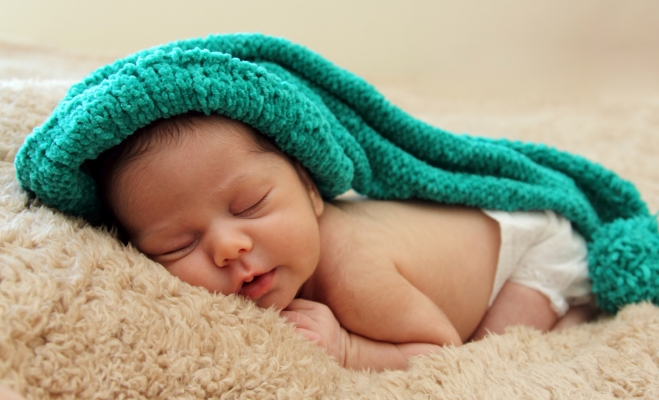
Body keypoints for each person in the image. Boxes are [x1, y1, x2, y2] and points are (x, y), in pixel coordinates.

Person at [91, 112, 597, 371]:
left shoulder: (356, 276)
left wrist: (349, 348)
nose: (228, 247)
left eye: (249, 207)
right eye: (178, 245)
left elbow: (443, 349)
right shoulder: (284, 243)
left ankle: (577, 306)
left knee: (497, 352)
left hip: (533, 245)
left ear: (312, 192)